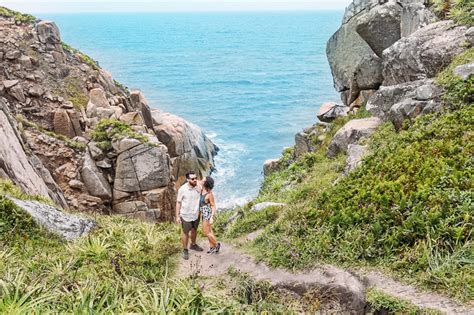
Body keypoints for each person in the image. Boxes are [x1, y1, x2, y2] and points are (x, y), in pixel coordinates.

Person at [176, 171, 204, 260]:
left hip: (196, 214)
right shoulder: (182, 189)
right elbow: (178, 203)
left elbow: (205, 187)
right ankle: (185, 250)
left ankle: (193, 244)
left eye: (196, 178)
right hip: (185, 215)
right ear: (188, 179)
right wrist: (177, 216)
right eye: (192, 179)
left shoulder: (199, 187)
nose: (195, 180)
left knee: (194, 230)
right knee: (185, 233)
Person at [199, 176, 221, 254]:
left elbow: (213, 206)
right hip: (204, 214)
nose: (201, 180)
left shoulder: (209, 194)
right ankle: (212, 247)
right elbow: (197, 182)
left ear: (205, 183)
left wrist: (212, 217)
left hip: (207, 215)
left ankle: (216, 244)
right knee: (209, 231)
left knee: (206, 232)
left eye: (203, 179)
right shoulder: (202, 190)